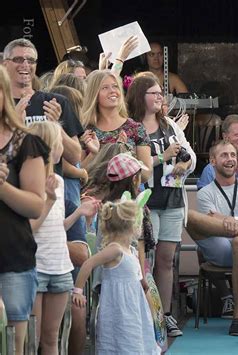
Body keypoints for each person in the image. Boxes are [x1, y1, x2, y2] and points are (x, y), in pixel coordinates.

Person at [126, 74, 196, 337]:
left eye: (160, 93)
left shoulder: (169, 125)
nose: (159, 97)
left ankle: (165, 315)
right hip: (146, 201)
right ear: (139, 96)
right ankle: (147, 314)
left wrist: (184, 165)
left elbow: (189, 156)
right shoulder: (131, 127)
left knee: (167, 260)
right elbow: (132, 164)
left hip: (173, 198)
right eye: (153, 93)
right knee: (147, 260)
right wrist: (161, 157)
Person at [28, 121, 99, 355]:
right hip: (37, 267)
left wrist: (79, 213)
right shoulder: (30, 182)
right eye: (59, 142)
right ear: (47, 146)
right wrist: (47, 200)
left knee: (52, 338)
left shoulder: (58, 182)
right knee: (33, 338)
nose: (64, 149)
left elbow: (58, 227)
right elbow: (30, 227)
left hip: (60, 267)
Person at [187, 140, 238, 336]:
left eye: (233, 155)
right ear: (212, 161)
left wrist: (231, 220)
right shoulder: (206, 192)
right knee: (187, 215)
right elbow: (209, 227)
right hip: (221, 248)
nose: (230, 159)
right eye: (224, 155)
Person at [0, 65, 49, 355]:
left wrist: (3, 188)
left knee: (13, 346)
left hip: (12, 260)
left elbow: (35, 204)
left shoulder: (25, 143)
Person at [72, 200, 160, 354]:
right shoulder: (115, 250)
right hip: (118, 310)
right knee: (119, 343)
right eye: (139, 223)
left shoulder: (131, 251)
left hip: (133, 309)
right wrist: (77, 291)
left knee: (134, 342)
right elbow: (88, 264)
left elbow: (137, 282)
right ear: (131, 226)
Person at [2, 38, 83, 169]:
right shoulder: (1, 103)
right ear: (5, 64)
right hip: (11, 185)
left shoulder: (56, 102)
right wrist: (13, 124)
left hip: (50, 186)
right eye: (18, 59)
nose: (25, 64)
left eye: (30, 60)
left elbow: (75, 157)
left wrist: (56, 127)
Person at [80, 69, 152, 181]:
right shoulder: (85, 130)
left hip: (126, 196)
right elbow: (80, 174)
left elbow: (146, 174)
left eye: (115, 86)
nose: (112, 91)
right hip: (93, 196)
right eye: (105, 88)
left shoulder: (135, 128)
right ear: (94, 94)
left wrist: (124, 153)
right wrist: (93, 155)